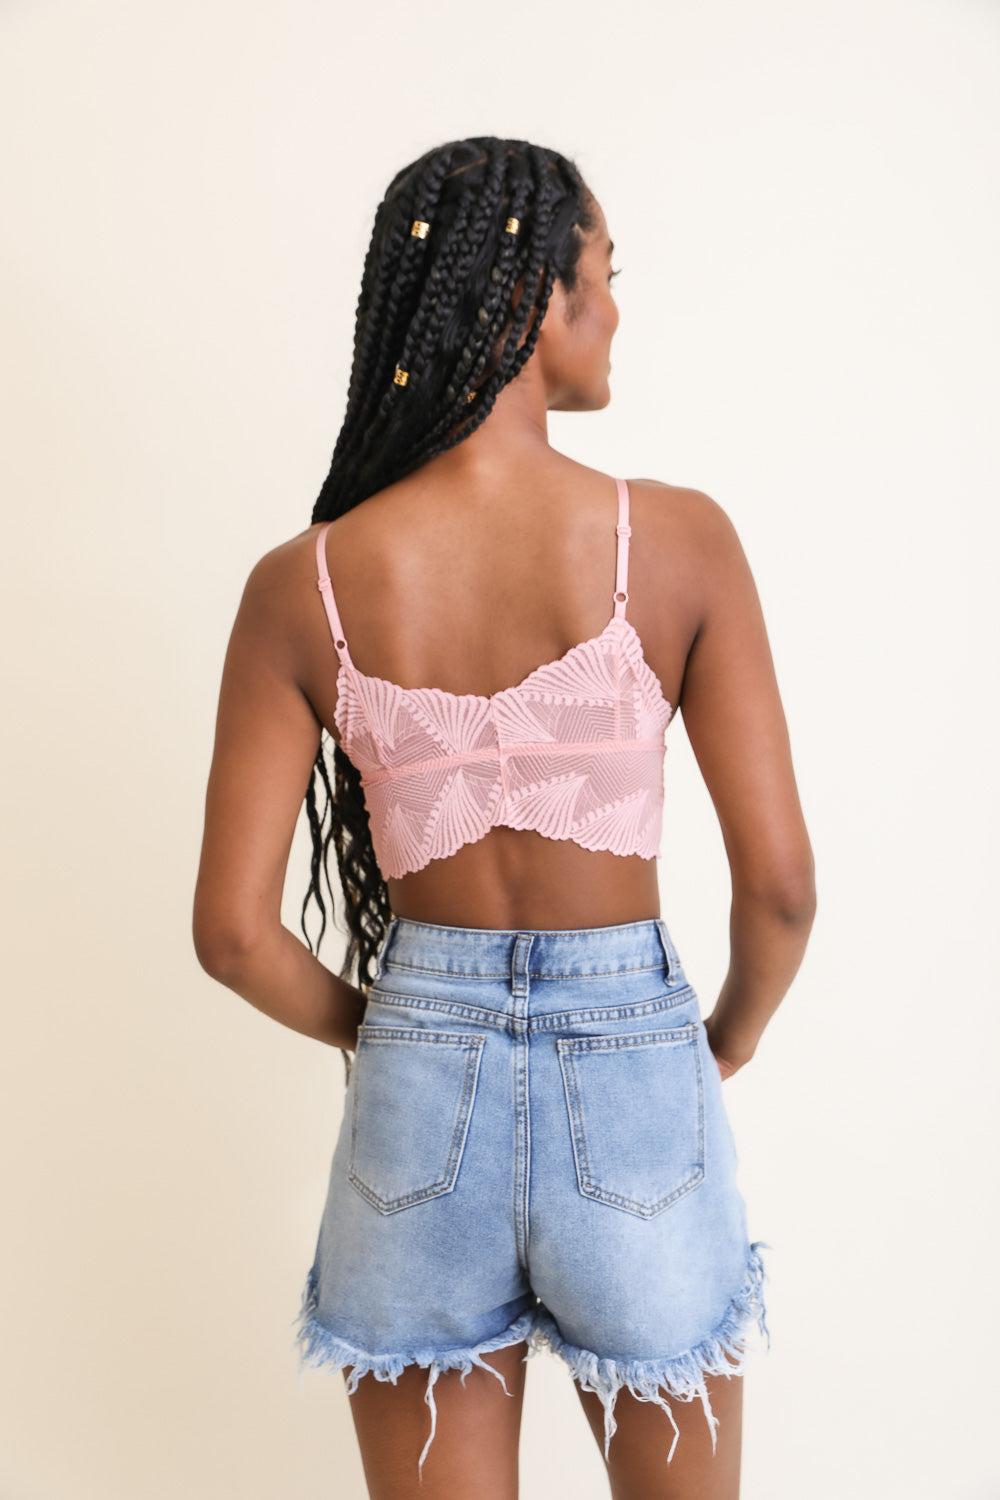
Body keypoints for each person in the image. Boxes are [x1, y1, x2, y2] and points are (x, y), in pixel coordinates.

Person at [192, 136, 816, 1500]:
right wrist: (723, 1041)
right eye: (607, 277)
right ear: (537, 298)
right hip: (637, 1075)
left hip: (419, 1082)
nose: (618, 312)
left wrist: (390, 1024)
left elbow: (232, 935)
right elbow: (780, 888)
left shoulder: (304, 584)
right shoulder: (679, 542)